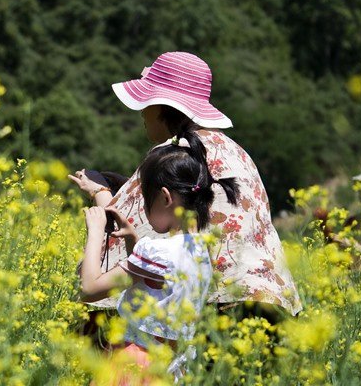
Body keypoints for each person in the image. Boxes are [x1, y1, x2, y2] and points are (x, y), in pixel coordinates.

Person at [71, 51, 302, 326]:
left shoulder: (172, 156)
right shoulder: (238, 153)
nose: (143, 114)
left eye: (147, 103)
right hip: (269, 305)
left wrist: (99, 192)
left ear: (161, 107)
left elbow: (121, 228)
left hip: (212, 308)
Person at [79, 137, 240, 383]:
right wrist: (134, 240)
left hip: (133, 364)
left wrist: (96, 231)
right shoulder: (201, 252)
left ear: (165, 198)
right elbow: (155, 286)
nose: (144, 208)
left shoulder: (158, 252)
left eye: (146, 200)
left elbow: (89, 289)